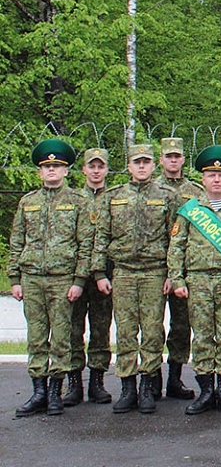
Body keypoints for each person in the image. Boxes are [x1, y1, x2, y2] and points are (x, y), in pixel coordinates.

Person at [93, 144, 181, 414]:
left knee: (153, 331)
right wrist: (99, 273)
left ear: (154, 166)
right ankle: (128, 387)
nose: (142, 166)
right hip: (123, 272)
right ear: (128, 166)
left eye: (146, 162)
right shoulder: (114, 196)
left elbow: (174, 238)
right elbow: (102, 237)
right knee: (126, 332)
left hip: (155, 272)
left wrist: (171, 273)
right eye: (136, 162)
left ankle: (147, 386)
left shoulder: (167, 196)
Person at [167, 147, 221, 415]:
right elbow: (176, 247)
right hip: (198, 281)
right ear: (203, 179)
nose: (216, 179)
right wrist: (177, 279)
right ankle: (206, 390)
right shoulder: (189, 211)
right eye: (211, 175)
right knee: (203, 337)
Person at [9, 139, 91, 417]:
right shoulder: (27, 202)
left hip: (62, 279)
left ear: (67, 170)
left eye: (57, 166)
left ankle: (56, 391)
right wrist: (14, 278)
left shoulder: (78, 202)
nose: (52, 170)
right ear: (40, 172)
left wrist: (79, 280)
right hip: (31, 278)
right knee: (35, 337)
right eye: (47, 167)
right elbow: (16, 242)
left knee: (61, 338)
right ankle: (38, 392)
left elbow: (85, 244)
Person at [154, 136, 201, 401]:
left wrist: (178, 273)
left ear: (183, 159)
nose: (173, 160)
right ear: (161, 159)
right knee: (151, 327)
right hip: (152, 267)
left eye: (177, 156)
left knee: (181, 325)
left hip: (182, 269)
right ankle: (151, 380)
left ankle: (175, 377)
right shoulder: (150, 188)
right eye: (168, 156)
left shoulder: (195, 192)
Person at [67, 147, 114, 405]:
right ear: (83, 169)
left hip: (104, 273)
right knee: (74, 328)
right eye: (92, 166)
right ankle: (74, 384)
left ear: (107, 169)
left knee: (100, 327)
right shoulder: (73, 199)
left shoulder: (115, 198)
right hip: (76, 273)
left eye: (101, 166)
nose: (96, 171)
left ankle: (97, 381)